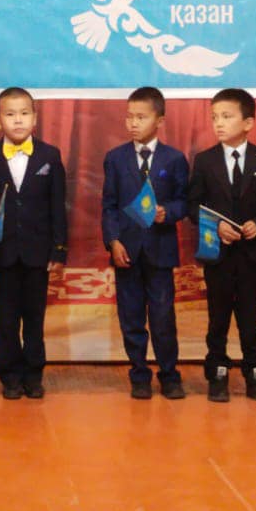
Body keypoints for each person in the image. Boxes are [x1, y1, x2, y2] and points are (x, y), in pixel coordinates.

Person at [187, 88, 256, 402]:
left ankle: (255, 375)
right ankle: (217, 374)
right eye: (215, 117)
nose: (219, 123)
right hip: (218, 252)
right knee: (218, 317)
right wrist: (215, 226)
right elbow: (192, 205)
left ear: (248, 123)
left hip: (252, 254)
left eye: (227, 117)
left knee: (248, 317)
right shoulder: (205, 160)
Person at [0, 87, 67, 399]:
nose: (18, 120)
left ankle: (34, 374)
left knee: (35, 317)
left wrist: (58, 250)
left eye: (24, 113)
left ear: (35, 118)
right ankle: (10, 375)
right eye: (10, 114)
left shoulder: (49, 155)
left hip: (38, 252)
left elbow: (57, 205)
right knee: (6, 317)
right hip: (3, 251)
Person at [101, 87, 189, 400]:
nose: (133, 123)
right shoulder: (115, 158)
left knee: (163, 317)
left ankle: (169, 375)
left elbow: (185, 202)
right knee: (131, 317)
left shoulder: (174, 159)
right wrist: (113, 241)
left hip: (160, 250)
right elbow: (109, 205)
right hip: (127, 251)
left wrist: (169, 212)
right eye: (129, 117)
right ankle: (139, 374)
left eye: (141, 117)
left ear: (159, 120)